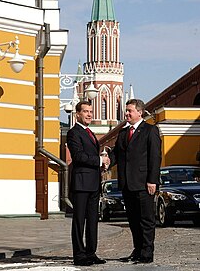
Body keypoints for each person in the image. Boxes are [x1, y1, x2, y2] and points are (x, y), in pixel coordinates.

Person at [109, 99, 161, 264]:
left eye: (129, 111)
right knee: (133, 220)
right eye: (126, 111)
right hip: (126, 184)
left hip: (144, 184)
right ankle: (137, 250)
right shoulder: (123, 133)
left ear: (140, 112)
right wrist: (106, 162)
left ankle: (147, 253)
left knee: (146, 220)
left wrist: (152, 180)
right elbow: (116, 154)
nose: (126, 114)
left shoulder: (150, 130)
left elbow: (155, 157)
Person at [67, 101, 110, 266]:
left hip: (94, 183)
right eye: (85, 111)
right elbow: (78, 156)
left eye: (91, 111)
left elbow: (91, 157)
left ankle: (91, 253)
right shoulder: (73, 133)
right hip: (81, 183)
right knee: (79, 221)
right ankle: (79, 255)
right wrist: (99, 160)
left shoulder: (90, 132)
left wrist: (103, 164)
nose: (89, 114)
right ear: (77, 113)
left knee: (93, 220)